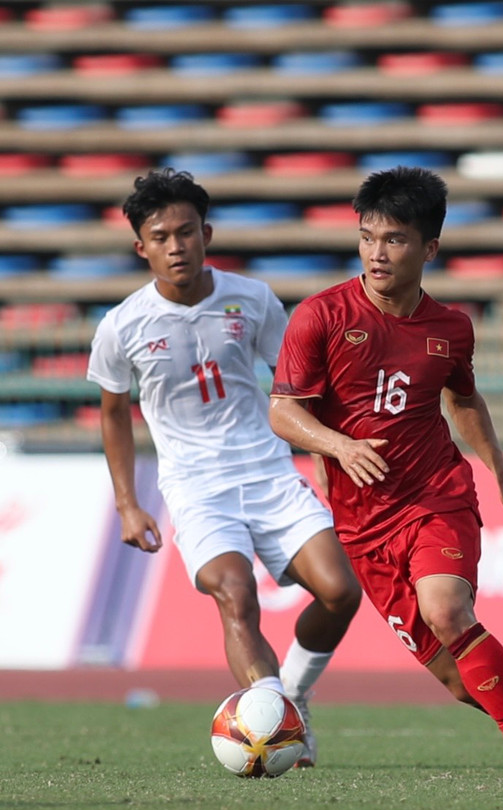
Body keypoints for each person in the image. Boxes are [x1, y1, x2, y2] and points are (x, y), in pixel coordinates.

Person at [268, 166, 503, 781]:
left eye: (392, 239)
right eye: (367, 237)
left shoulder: (450, 329)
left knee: (449, 611)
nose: (376, 252)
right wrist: (339, 445)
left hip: (435, 495)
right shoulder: (320, 316)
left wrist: (501, 475)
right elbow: (284, 412)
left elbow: (463, 401)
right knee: (462, 682)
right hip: (363, 524)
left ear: (429, 248)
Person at [87, 168, 363, 767]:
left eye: (186, 232)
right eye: (160, 237)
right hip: (195, 487)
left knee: (341, 591)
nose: (176, 246)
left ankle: (292, 696)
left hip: (267, 471)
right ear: (141, 247)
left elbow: (298, 387)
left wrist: (323, 452)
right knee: (235, 596)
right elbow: (113, 414)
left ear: (206, 233)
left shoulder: (254, 299)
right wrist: (128, 503)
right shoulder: (121, 326)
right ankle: (275, 725)